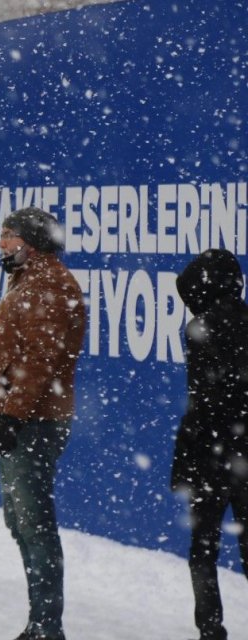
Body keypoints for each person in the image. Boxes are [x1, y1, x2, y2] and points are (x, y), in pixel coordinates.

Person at [0, 207, 85, 640]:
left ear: (32, 242)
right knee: (19, 521)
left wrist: (11, 416)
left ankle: (46, 626)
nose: (1, 244)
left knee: (34, 523)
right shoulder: (29, 281)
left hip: (33, 423)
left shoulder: (49, 286)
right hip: (21, 417)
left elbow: (39, 362)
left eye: (9, 236)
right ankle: (40, 621)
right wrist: (3, 412)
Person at [172, 248, 248, 640]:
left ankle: (211, 628)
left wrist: (185, 462)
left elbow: (203, 404)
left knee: (204, 548)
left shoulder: (200, 329)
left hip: (211, 458)